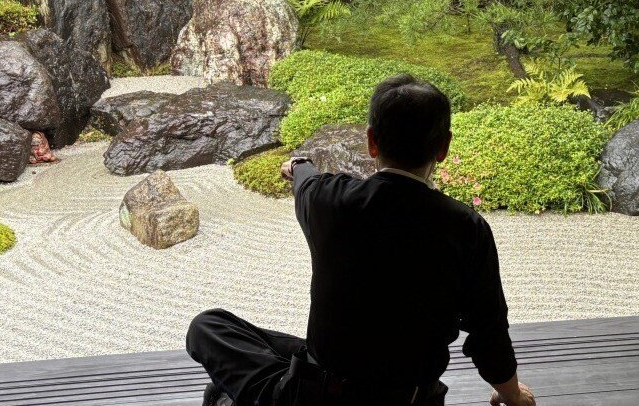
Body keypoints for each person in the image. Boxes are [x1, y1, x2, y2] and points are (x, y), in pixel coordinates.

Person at [186, 74, 536, 406]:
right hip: (411, 397)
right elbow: (489, 333)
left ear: (371, 141)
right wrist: (512, 396)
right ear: (443, 147)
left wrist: (298, 164)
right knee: (296, 352)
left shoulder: (329, 200)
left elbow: (306, 180)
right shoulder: (467, 228)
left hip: (318, 394)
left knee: (208, 327)